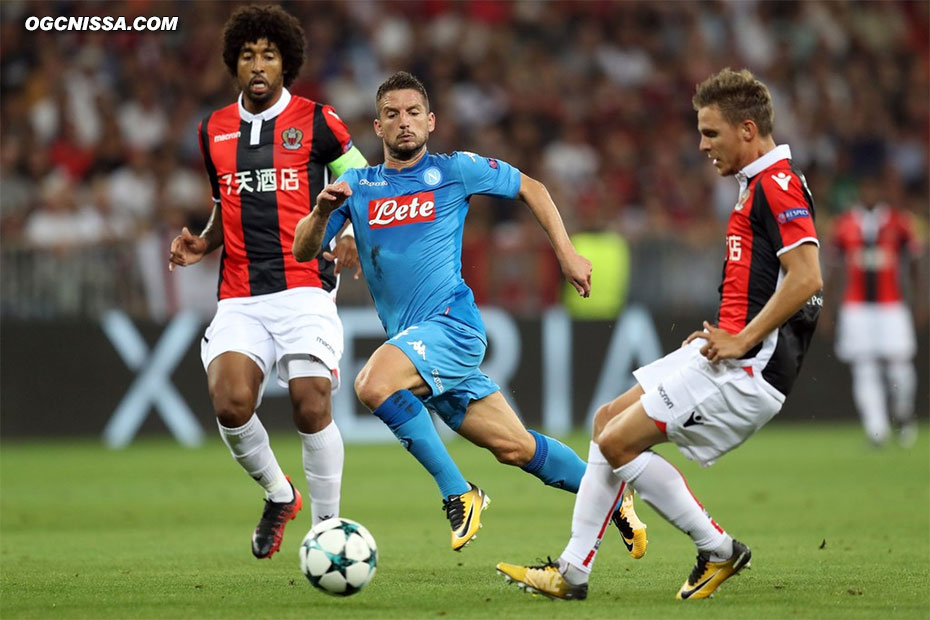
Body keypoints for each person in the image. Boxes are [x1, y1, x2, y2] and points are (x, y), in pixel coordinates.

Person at [497, 67, 824, 600]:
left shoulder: (776, 183)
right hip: (733, 350)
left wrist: (743, 339)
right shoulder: (756, 184)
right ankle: (572, 572)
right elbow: (767, 277)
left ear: (747, 129)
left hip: (749, 366)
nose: (702, 144)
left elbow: (808, 278)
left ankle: (717, 548)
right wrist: (730, 329)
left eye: (711, 133)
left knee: (617, 442)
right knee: (606, 421)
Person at [292, 71, 646, 555]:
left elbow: (533, 188)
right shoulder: (355, 185)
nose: (404, 123)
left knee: (373, 383)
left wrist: (565, 253)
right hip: (416, 344)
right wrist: (318, 213)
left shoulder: (455, 170)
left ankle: (459, 493)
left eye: (413, 112)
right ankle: (614, 499)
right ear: (377, 127)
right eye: (392, 114)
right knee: (515, 447)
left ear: (431, 121)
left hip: (450, 327)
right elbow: (303, 250)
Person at [168, 5, 367, 560]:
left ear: (287, 63)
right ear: (234, 64)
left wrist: (350, 228)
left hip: (304, 284)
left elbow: (362, 182)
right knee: (231, 405)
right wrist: (203, 242)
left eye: (269, 55)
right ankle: (281, 495)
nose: (258, 65)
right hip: (239, 293)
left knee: (310, 400)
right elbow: (221, 203)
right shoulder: (212, 130)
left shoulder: (320, 121)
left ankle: (328, 533)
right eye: (248, 55)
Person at [829, 175, 923, 447]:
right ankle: (876, 429)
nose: (869, 192)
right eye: (865, 187)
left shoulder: (900, 222)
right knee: (864, 368)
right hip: (856, 307)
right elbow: (834, 269)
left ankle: (903, 414)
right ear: (860, 191)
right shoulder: (844, 224)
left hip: (891, 305)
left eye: (874, 187)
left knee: (899, 368)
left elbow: (915, 264)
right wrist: (828, 306)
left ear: (880, 190)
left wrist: (919, 301)